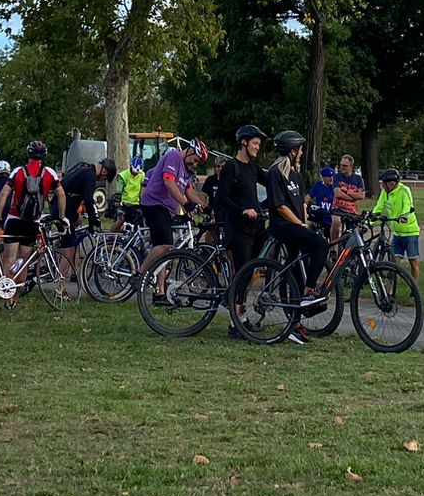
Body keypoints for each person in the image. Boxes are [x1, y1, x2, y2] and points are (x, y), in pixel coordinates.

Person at [259, 132, 329, 338]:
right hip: (283, 226)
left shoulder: (295, 174)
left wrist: (306, 221)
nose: (302, 152)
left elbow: (300, 203)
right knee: (321, 246)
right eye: (300, 149)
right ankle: (309, 291)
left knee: (298, 270)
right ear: (292, 150)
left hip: (296, 224)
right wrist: (299, 224)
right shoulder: (276, 173)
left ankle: (294, 323)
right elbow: (280, 206)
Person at [0, 140, 63, 296]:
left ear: (28, 154)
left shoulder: (18, 171)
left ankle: (8, 296)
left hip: (14, 219)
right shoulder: (50, 173)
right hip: (32, 222)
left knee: (9, 258)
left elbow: (4, 193)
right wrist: (61, 216)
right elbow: (61, 194)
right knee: (24, 261)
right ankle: (17, 295)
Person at [136, 136, 205, 288]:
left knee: (163, 251)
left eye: (197, 163)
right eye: (195, 160)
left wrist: (203, 206)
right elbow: (168, 182)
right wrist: (186, 204)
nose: (195, 164)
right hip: (154, 204)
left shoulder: (186, 170)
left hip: (167, 209)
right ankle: (140, 275)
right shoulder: (174, 157)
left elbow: (189, 191)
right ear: (190, 151)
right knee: (165, 244)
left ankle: (160, 290)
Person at [215, 126, 267, 297]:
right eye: (255, 143)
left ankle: (237, 305)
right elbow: (222, 197)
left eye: (259, 144)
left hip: (256, 226)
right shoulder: (231, 167)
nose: (257, 147)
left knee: (253, 269)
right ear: (244, 142)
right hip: (239, 228)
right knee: (243, 270)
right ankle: (237, 315)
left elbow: (269, 181)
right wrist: (242, 210)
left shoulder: (253, 167)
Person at [58, 156, 113, 282]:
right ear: (104, 171)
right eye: (104, 178)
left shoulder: (83, 166)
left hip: (66, 208)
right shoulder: (90, 176)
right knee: (69, 246)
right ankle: (60, 286)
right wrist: (94, 218)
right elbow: (89, 200)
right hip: (64, 211)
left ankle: (74, 270)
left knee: (79, 221)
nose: (102, 180)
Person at [366, 166, 422, 284]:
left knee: (413, 262)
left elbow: (408, 205)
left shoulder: (404, 190)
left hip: (410, 232)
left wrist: (403, 216)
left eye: (383, 183)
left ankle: (415, 287)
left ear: (391, 183)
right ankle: (391, 290)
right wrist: (369, 222)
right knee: (393, 264)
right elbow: (378, 207)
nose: (382, 186)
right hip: (397, 233)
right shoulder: (385, 193)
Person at [332, 155, 365, 239]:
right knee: (336, 222)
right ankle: (333, 248)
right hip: (338, 208)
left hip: (352, 210)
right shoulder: (337, 177)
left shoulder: (358, 179)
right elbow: (337, 193)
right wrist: (353, 197)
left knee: (358, 230)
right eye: (341, 165)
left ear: (351, 166)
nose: (342, 167)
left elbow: (361, 195)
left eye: (345, 165)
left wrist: (346, 191)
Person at [117, 154, 146, 222]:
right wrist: (118, 205)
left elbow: (143, 188)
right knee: (120, 221)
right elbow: (118, 191)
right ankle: (112, 232)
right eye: (135, 172)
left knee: (139, 222)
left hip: (136, 204)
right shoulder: (123, 175)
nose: (136, 174)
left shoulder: (142, 175)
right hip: (125, 204)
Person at [308, 166, 337, 235]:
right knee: (307, 224)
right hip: (319, 217)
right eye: (329, 176)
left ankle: (335, 245)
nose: (331, 178)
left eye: (332, 176)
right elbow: (308, 197)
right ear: (323, 177)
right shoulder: (318, 186)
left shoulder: (335, 188)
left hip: (331, 217)